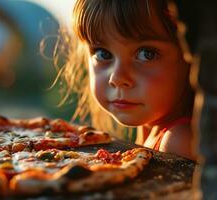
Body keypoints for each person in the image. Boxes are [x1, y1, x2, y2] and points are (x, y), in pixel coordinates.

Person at [55, 0, 196, 160]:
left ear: (191, 59)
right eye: (103, 54)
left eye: (147, 54)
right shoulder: (150, 125)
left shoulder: (180, 142)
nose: (117, 78)